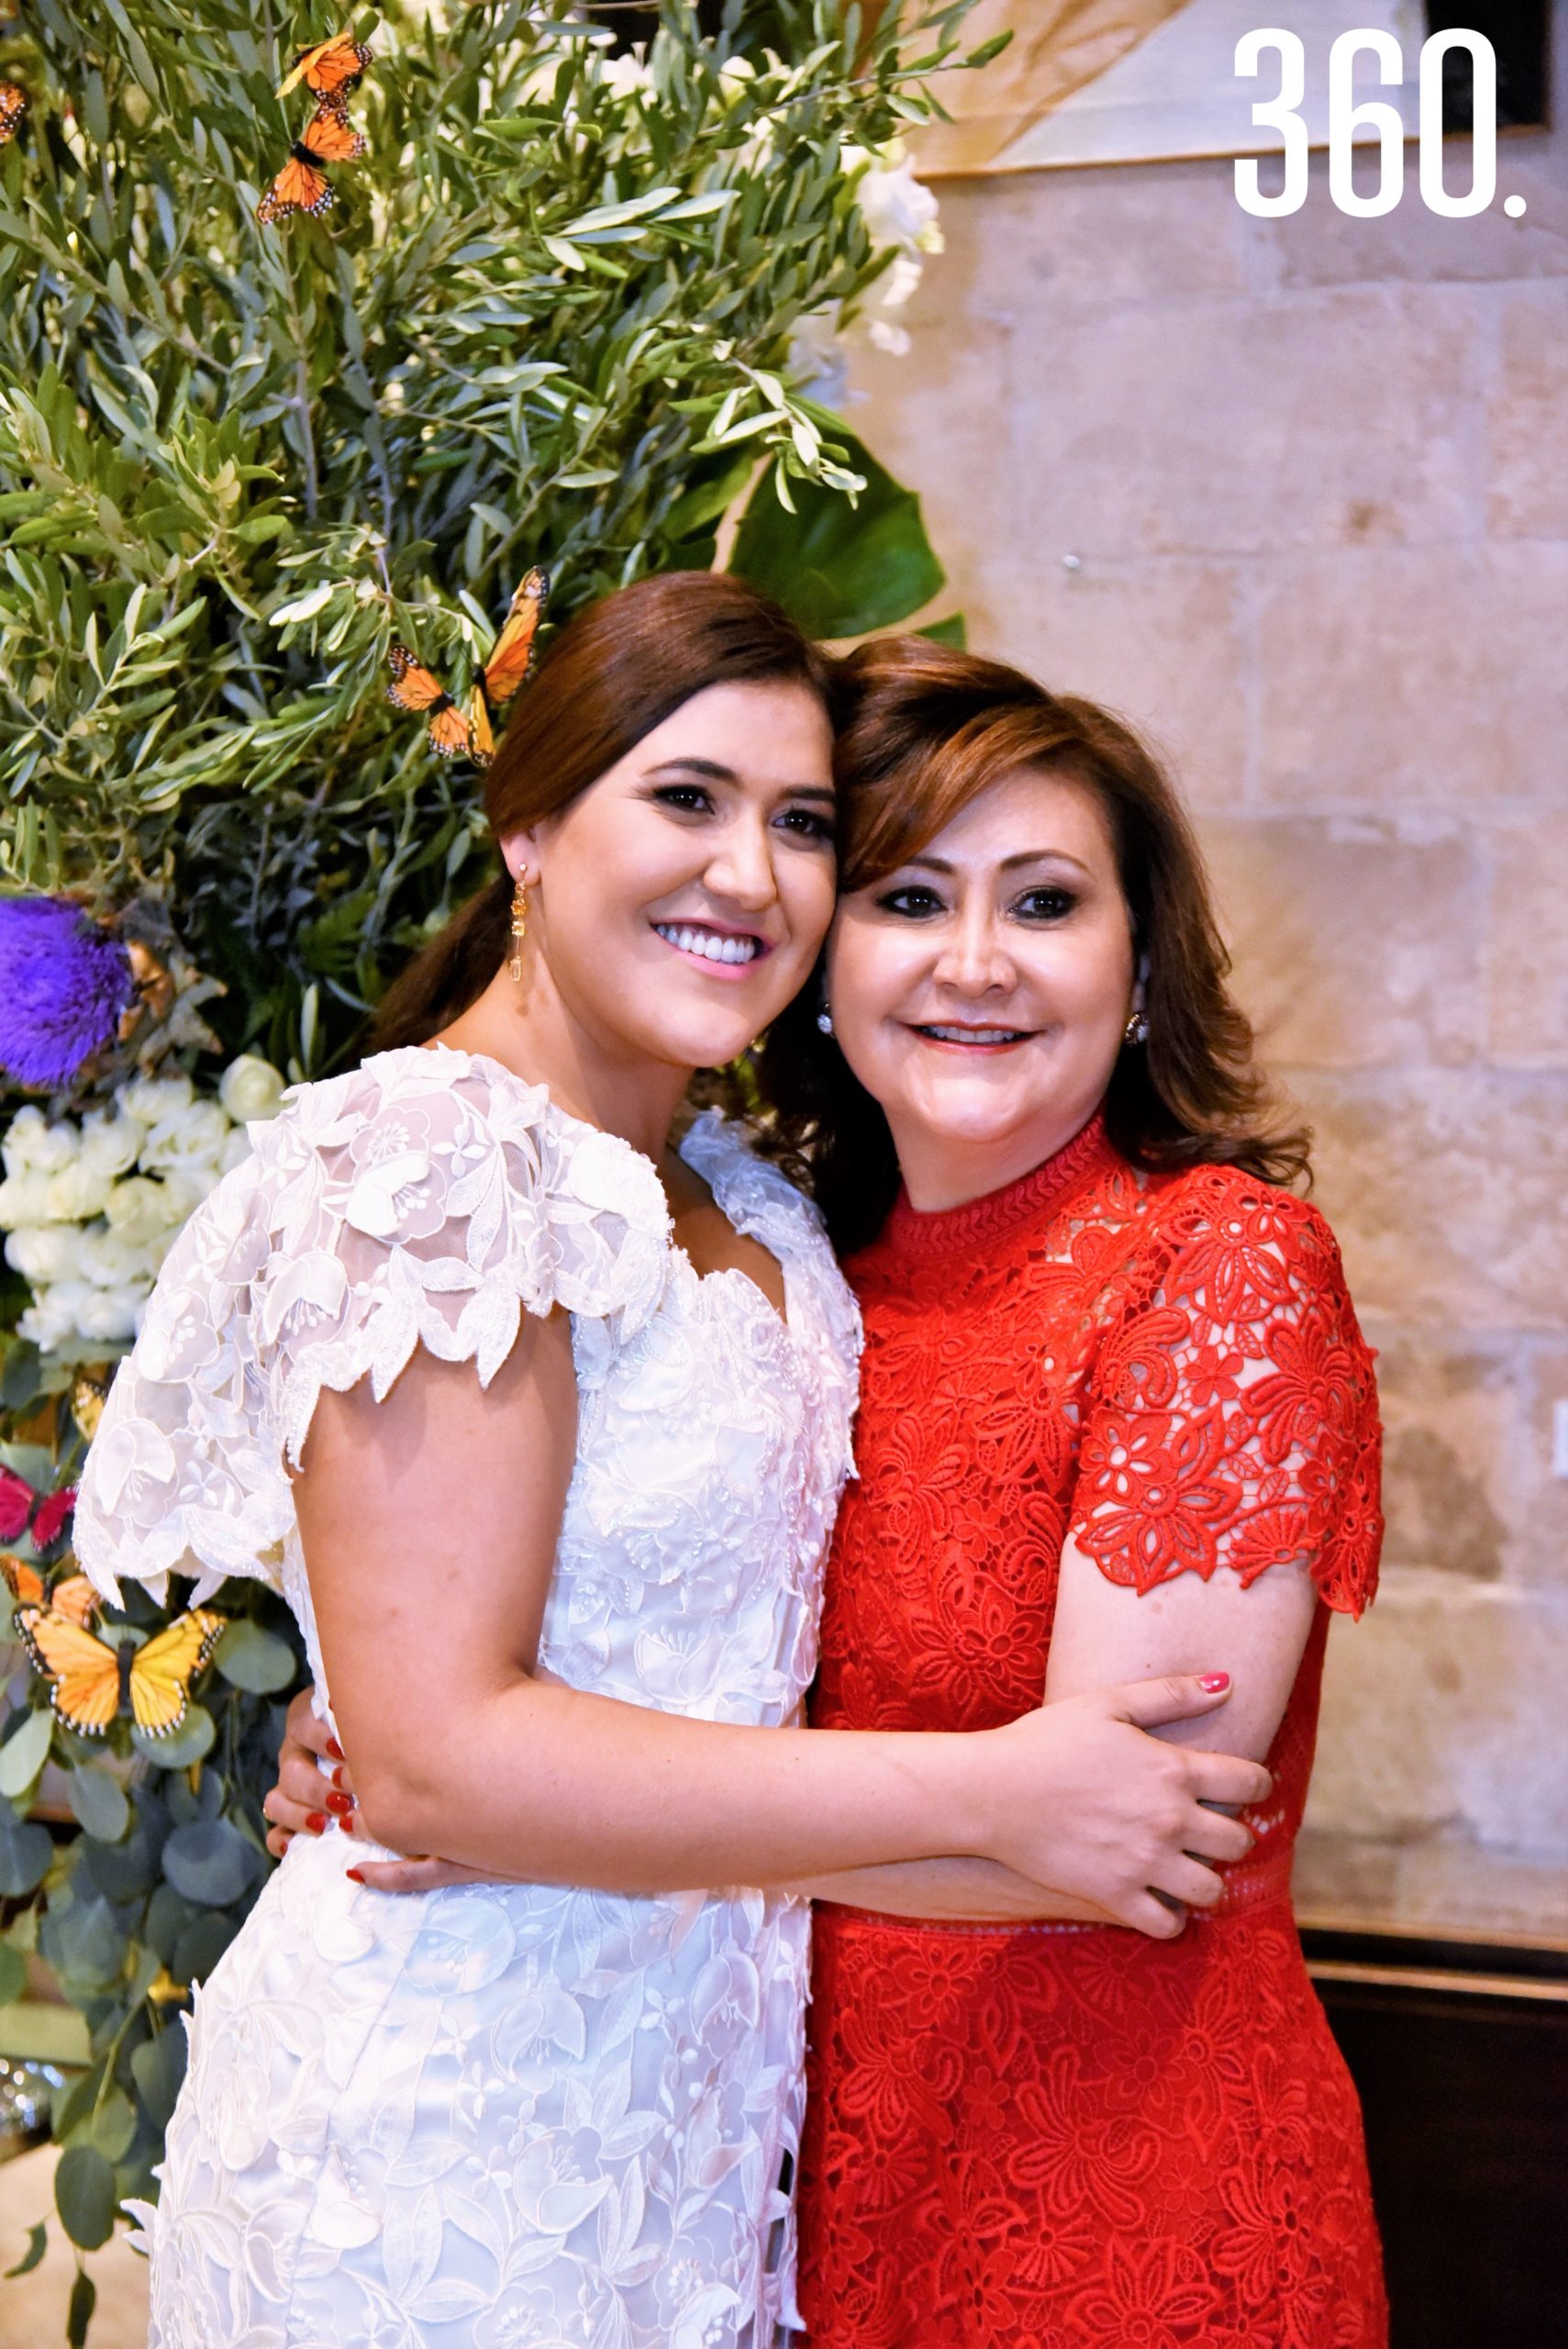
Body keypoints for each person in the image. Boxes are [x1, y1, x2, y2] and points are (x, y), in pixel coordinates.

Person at [77, 578, 1269, 2349]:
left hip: (696, 2135)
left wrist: (514, 1783)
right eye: (685, 797)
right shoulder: (430, 1156)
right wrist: (987, 1791)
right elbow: (441, 1758)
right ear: (530, 826)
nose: (749, 872)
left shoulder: (759, 1198)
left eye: (801, 825)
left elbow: (630, 1683)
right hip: (444, 2141)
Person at [769, 640, 1386, 2347]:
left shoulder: (1216, 1271)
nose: (974, 964)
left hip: (1120, 2181)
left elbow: (1122, 1838)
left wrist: (552, 1821)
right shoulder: (785, 1277)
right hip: (790, 2165)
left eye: (1042, 905)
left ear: (1134, 973)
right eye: (907, 898)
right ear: (823, 963)